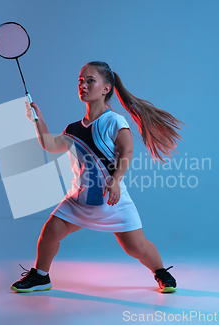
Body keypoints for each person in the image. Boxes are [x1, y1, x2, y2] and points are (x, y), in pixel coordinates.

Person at [10, 61, 185, 293]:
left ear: (106, 88)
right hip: (78, 201)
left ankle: (161, 272)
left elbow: (127, 151)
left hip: (112, 201)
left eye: (90, 80)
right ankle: (41, 276)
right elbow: (49, 145)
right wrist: (37, 119)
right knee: (50, 231)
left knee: (136, 247)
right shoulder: (73, 129)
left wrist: (115, 180)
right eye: (80, 81)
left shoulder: (114, 121)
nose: (83, 85)